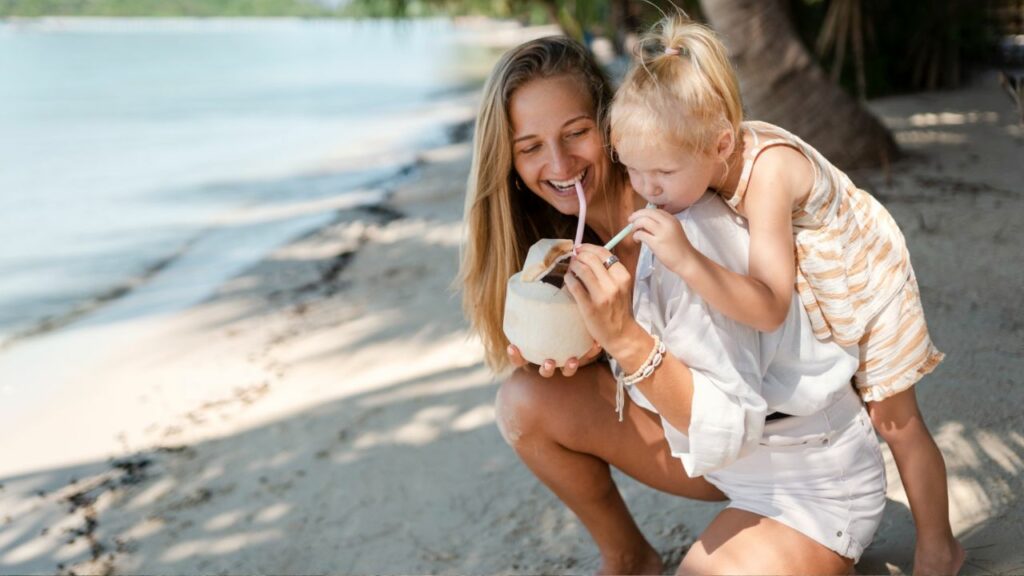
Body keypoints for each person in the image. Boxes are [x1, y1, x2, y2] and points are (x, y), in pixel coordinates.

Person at [458, 36, 886, 574]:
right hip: (721, 460)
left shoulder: (687, 230)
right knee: (527, 401)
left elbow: (732, 425)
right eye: (530, 147)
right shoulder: (578, 243)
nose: (559, 162)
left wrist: (624, 340)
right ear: (510, 164)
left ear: (611, 129)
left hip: (808, 477)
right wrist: (577, 350)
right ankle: (629, 558)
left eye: (576, 133)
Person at [608, 13, 963, 575]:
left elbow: (770, 306)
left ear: (721, 143)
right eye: (632, 171)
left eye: (663, 172)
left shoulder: (767, 172)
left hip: (866, 275)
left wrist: (685, 257)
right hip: (817, 278)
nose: (647, 189)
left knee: (894, 418)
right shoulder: (701, 165)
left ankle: (939, 547)